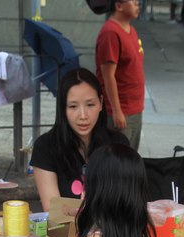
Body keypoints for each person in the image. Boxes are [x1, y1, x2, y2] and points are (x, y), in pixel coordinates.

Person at [30, 68, 128, 212]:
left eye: (90, 105)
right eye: (73, 106)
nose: (83, 115)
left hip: (111, 233)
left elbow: (127, 203)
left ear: (101, 103)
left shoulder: (119, 145)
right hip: (64, 233)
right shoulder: (45, 147)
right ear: (62, 108)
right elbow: (54, 212)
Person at [95, 0, 145, 151]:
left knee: (130, 160)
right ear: (119, 6)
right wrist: (116, 111)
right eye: (134, 1)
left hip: (135, 108)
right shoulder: (111, 33)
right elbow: (107, 75)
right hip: (121, 111)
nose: (138, 4)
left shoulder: (131, 30)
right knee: (118, 162)